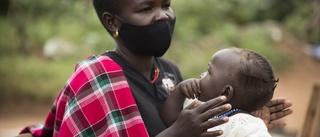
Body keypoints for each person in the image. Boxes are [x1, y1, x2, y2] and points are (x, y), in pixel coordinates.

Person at [19, 0, 293, 137]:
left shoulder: (170, 73)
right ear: (112, 22)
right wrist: (176, 134)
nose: (163, 16)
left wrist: (241, 113)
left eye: (166, 5)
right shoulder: (96, 76)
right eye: (147, 8)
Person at [161, 47, 281, 136]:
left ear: (225, 93)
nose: (201, 75)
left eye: (208, 71)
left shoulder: (248, 126)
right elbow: (170, 121)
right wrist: (179, 92)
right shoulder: (197, 107)